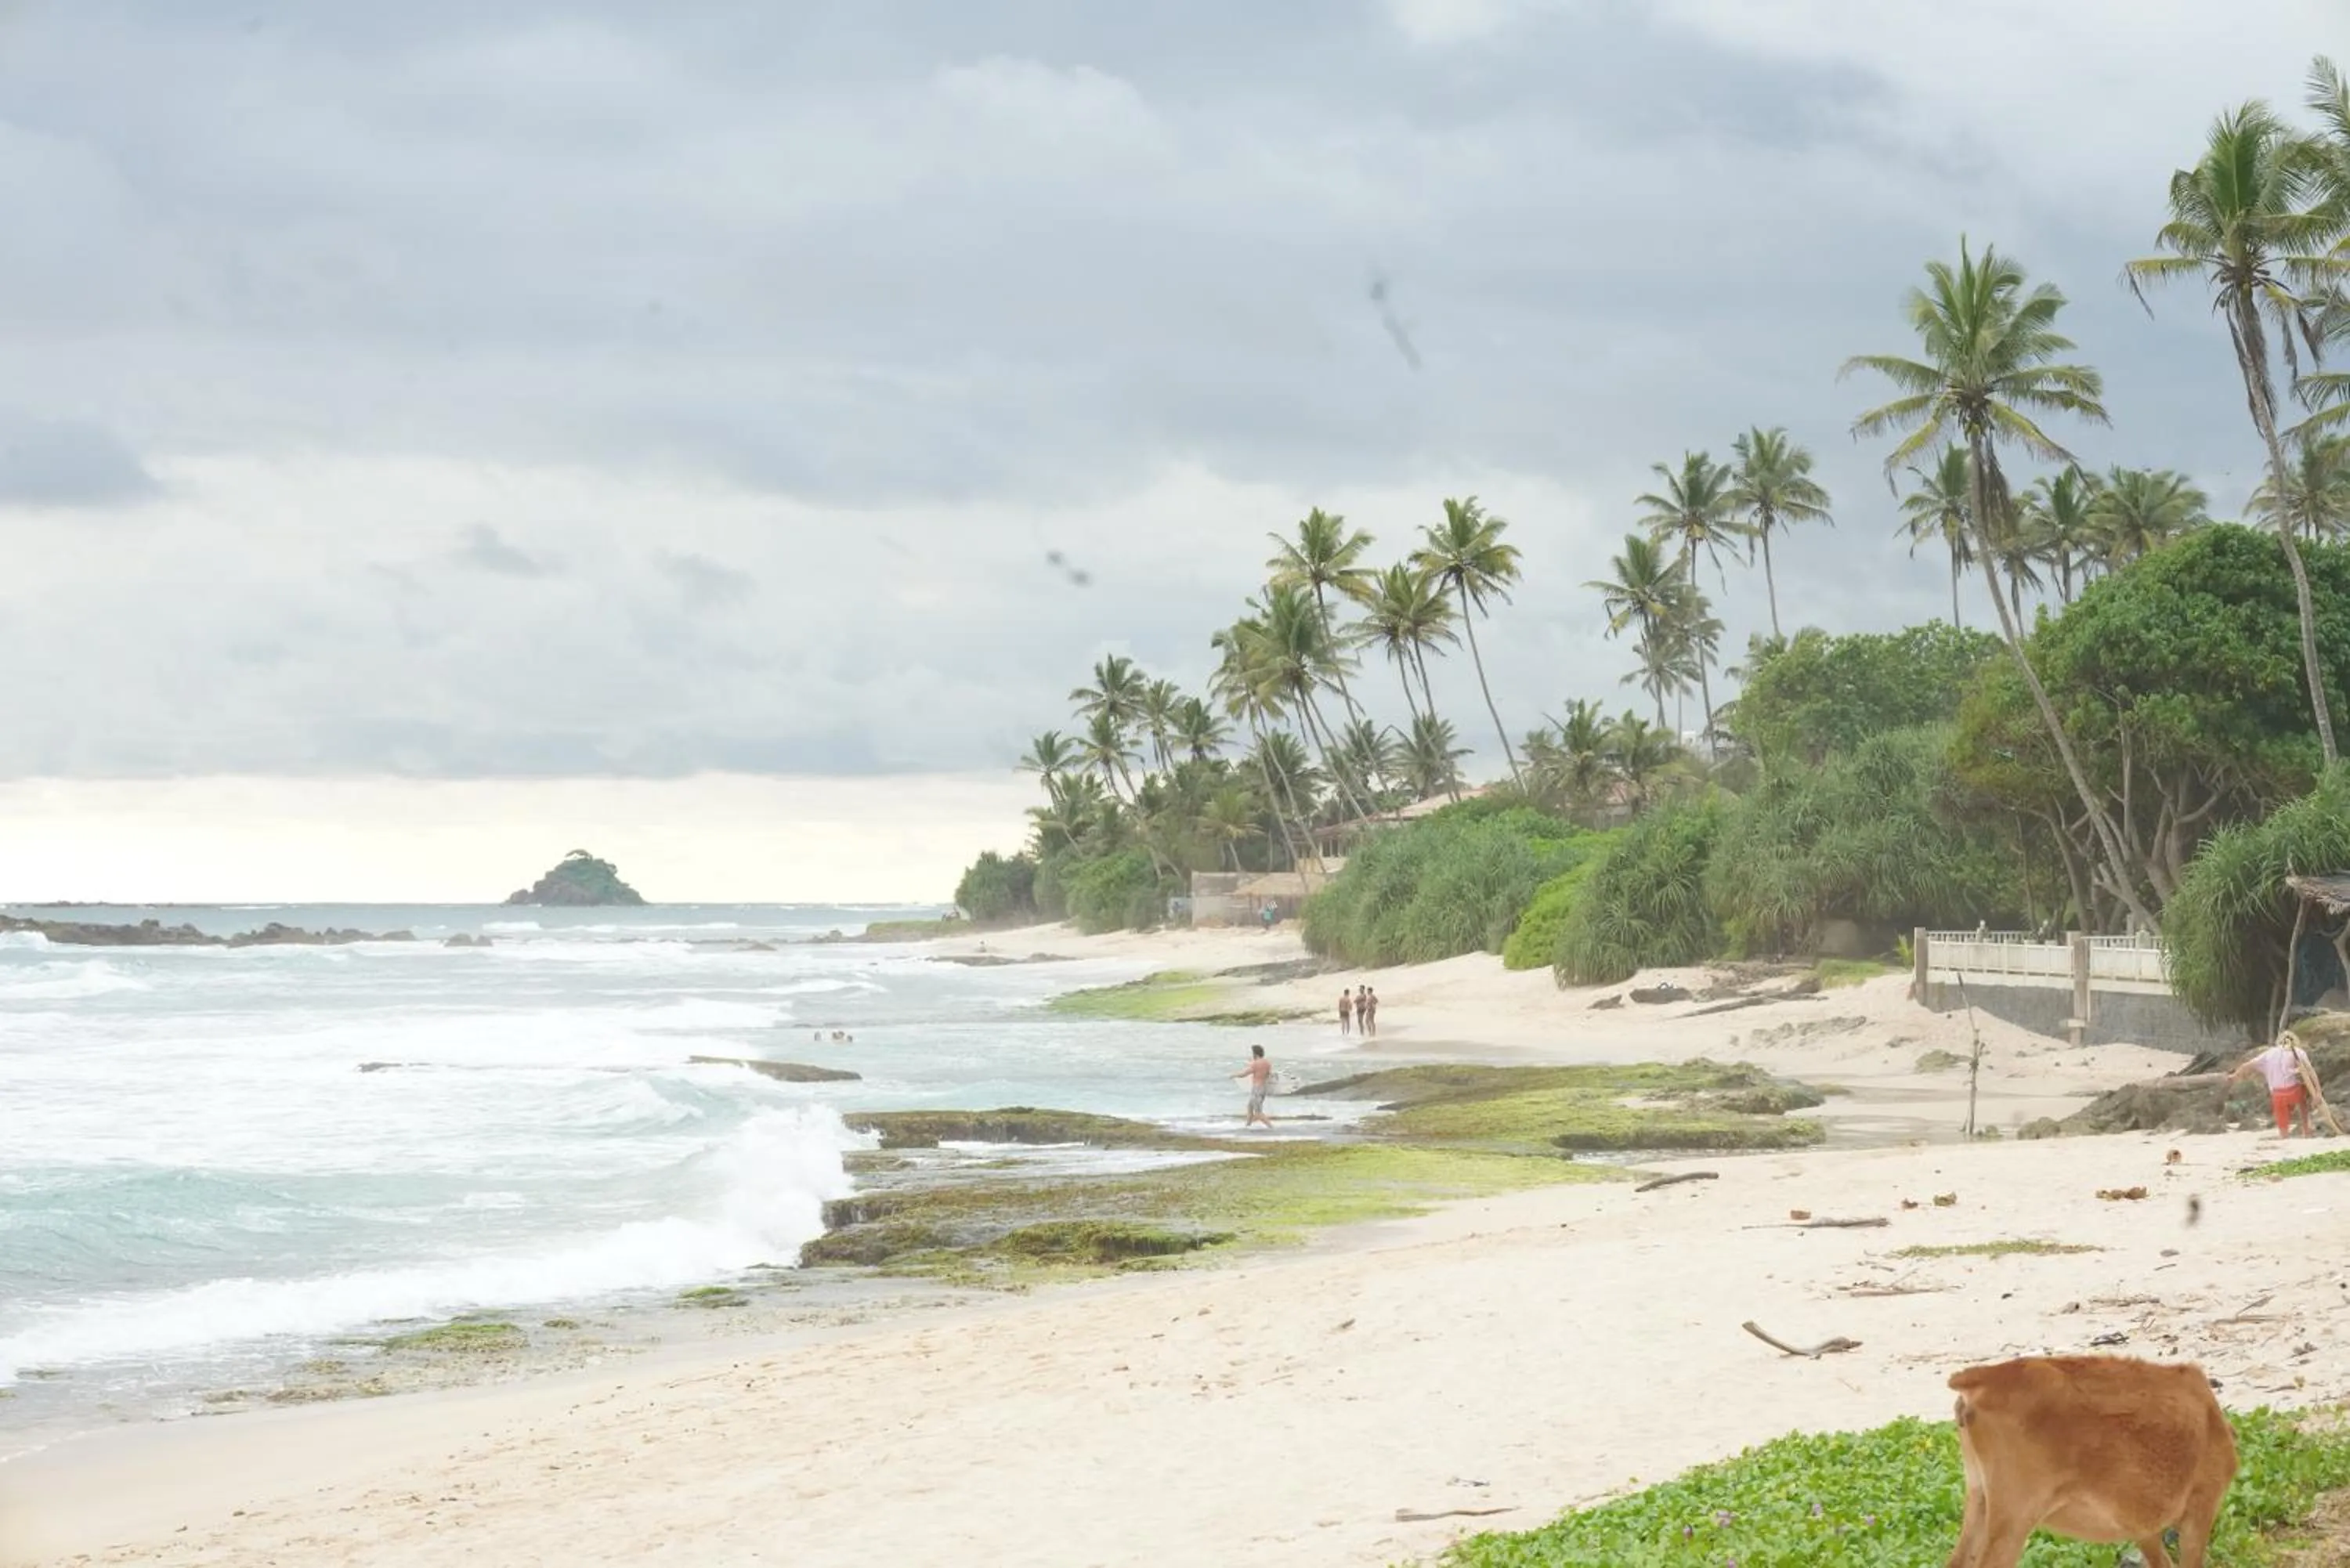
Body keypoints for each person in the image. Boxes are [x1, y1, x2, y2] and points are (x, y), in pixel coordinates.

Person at [2229, 1033, 2319, 1138]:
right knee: (2303, 1098)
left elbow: (2247, 1065)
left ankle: (2284, 1135)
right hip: (2294, 1092)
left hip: (2277, 1095)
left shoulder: (2269, 1053)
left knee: (2283, 1128)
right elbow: (2311, 1072)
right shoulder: (2298, 1052)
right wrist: (2318, 1093)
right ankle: (2306, 1129)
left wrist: (2234, 1076)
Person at [1232, 1044, 1274, 1129]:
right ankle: (1247, 1126)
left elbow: (1244, 1074)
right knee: (1250, 1107)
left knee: (1258, 1112)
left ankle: (1271, 1127)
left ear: (1255, 1054)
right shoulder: (1267, 1063)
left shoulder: (1255, 1064)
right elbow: (1269, 1075)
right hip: (1263, 1088)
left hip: (1257, 1089)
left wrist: (1234, 1075)